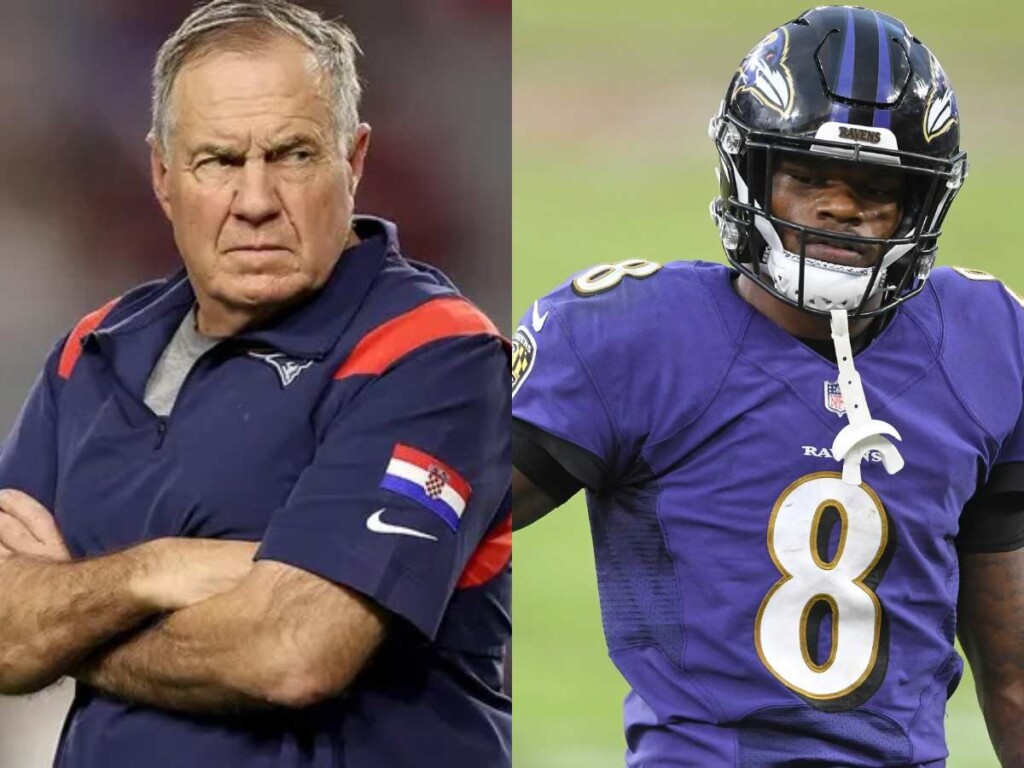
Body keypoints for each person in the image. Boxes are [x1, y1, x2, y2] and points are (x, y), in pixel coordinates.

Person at [0, 2, 511, 767]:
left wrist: (71, 619)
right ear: (163, 174)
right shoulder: (92, 351)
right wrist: (159, 569)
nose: (256, 201)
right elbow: (5, 637)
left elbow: (294, 651)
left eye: (293, 154)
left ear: (355, 158)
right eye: (218, 161)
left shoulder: (436, 354)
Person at [512, 6, 1024, 766]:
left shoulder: (990, 339)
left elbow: (1014, 676)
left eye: (877, 186)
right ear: (751, 172)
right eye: (808, 175)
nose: (841, 205)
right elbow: (437, 531)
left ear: (923, 201)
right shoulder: (632, 337)